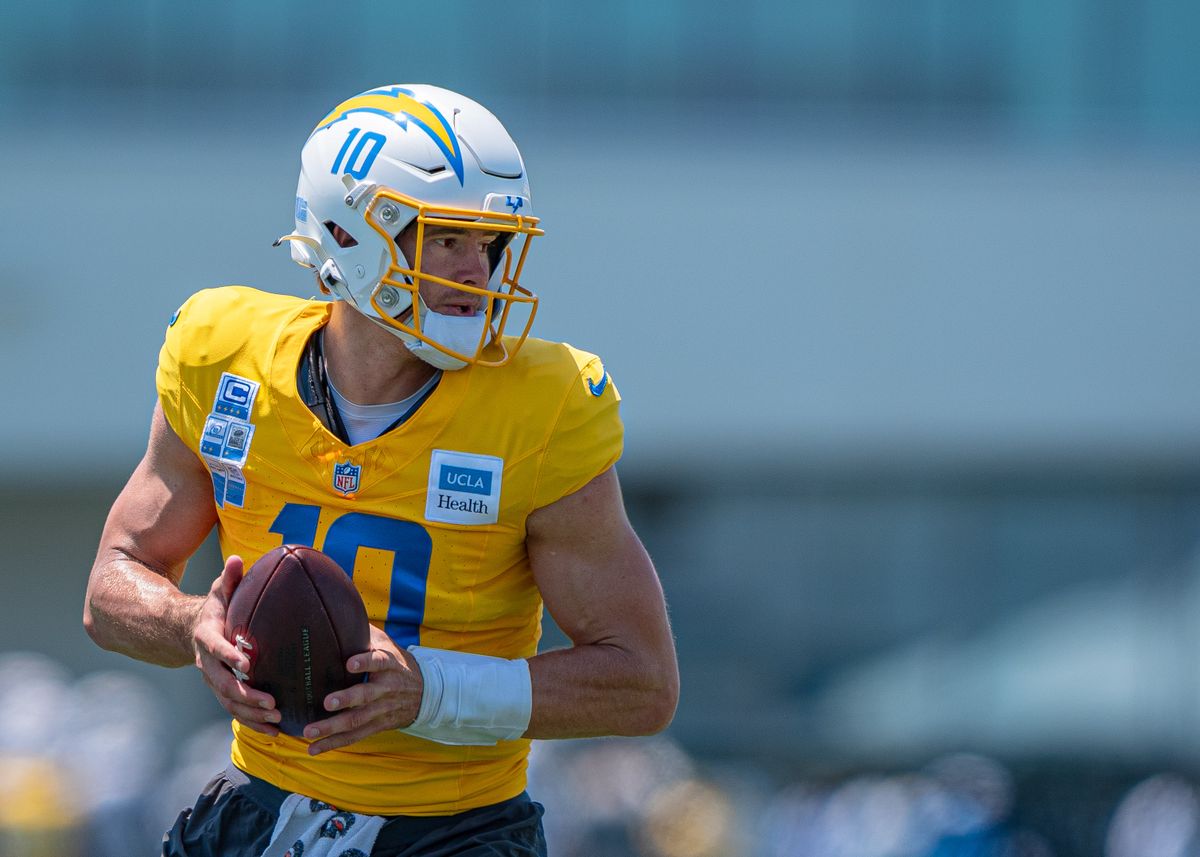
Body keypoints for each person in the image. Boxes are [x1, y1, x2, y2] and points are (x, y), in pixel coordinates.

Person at [83, 84, 679, 857]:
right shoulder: (221, 356)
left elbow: (641, 681)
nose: (482, 273)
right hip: (260, 807)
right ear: (352, 233)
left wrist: (429, 689)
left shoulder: (542, 407)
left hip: (454, 829)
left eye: (492, 244)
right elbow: (111, 585)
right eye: (449, 240)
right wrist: (191, 623)